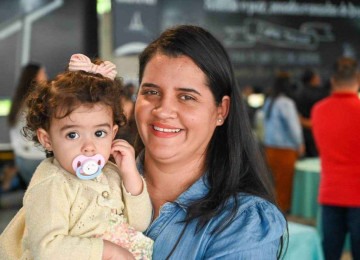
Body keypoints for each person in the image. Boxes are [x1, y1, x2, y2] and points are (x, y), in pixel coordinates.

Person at [134, 25, 287, 259]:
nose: (163, 111)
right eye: (152, 92)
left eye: (186, 97)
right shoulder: (92, 186)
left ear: (221, 110)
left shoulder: (243, 223)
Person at [0, 54, 153, 260]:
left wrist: (130, 173)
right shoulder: (52, 184)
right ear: (47, 140)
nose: (89, 147)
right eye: (72, 134)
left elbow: (140, 223)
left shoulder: (112, 173)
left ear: (113, 133)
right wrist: (107, 250)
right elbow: (47, 249)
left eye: (99, 133)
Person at [311, 57, 360, 260]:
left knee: (330, 251)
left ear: (332, 80)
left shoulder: (318, 110)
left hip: (330, 192)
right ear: (357, 79)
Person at [262, 71, 304, 213]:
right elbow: (294, 128)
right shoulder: (286, 103)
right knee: (284, 183)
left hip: (270, 148)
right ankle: (282, 211)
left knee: (272, 182)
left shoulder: (269, 101)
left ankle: (273, 209)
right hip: (284, 150)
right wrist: (299, 144)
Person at [7, 63, 48, 186]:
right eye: (43, 73)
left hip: (21, 158)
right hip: (37, 157)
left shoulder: (19, 100)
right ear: (36, 77)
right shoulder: (38, 100)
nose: (46, 76)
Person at [295, 68, 328, 157]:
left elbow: (298, 115)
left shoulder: (299, 93)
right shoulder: (322, 93)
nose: (319, 78)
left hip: (304, 131)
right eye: (317, 76)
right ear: (313, 78)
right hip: (319, 130)